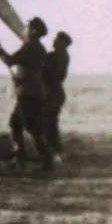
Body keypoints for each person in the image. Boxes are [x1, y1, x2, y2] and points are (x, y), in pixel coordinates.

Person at [0, 17, 53, 171]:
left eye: (27, 26)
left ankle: (26, 159)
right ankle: (37, 159)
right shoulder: (39, 48)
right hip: (35, 92)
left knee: (21, 126)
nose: (24, 28)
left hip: (27, 94)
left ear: (33, 31)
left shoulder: (29, 47)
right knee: (27, 126)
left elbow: (10, 61)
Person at [43, 31, 72, 161]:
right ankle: (54, 151)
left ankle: (54, 152)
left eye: (56, 40)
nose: (53, 41)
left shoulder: (57, 56)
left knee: (50, 123)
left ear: (62, 43)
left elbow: (53, 75)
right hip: (55, 93)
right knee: (50, 122)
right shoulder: (62, 56)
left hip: (53, 94)